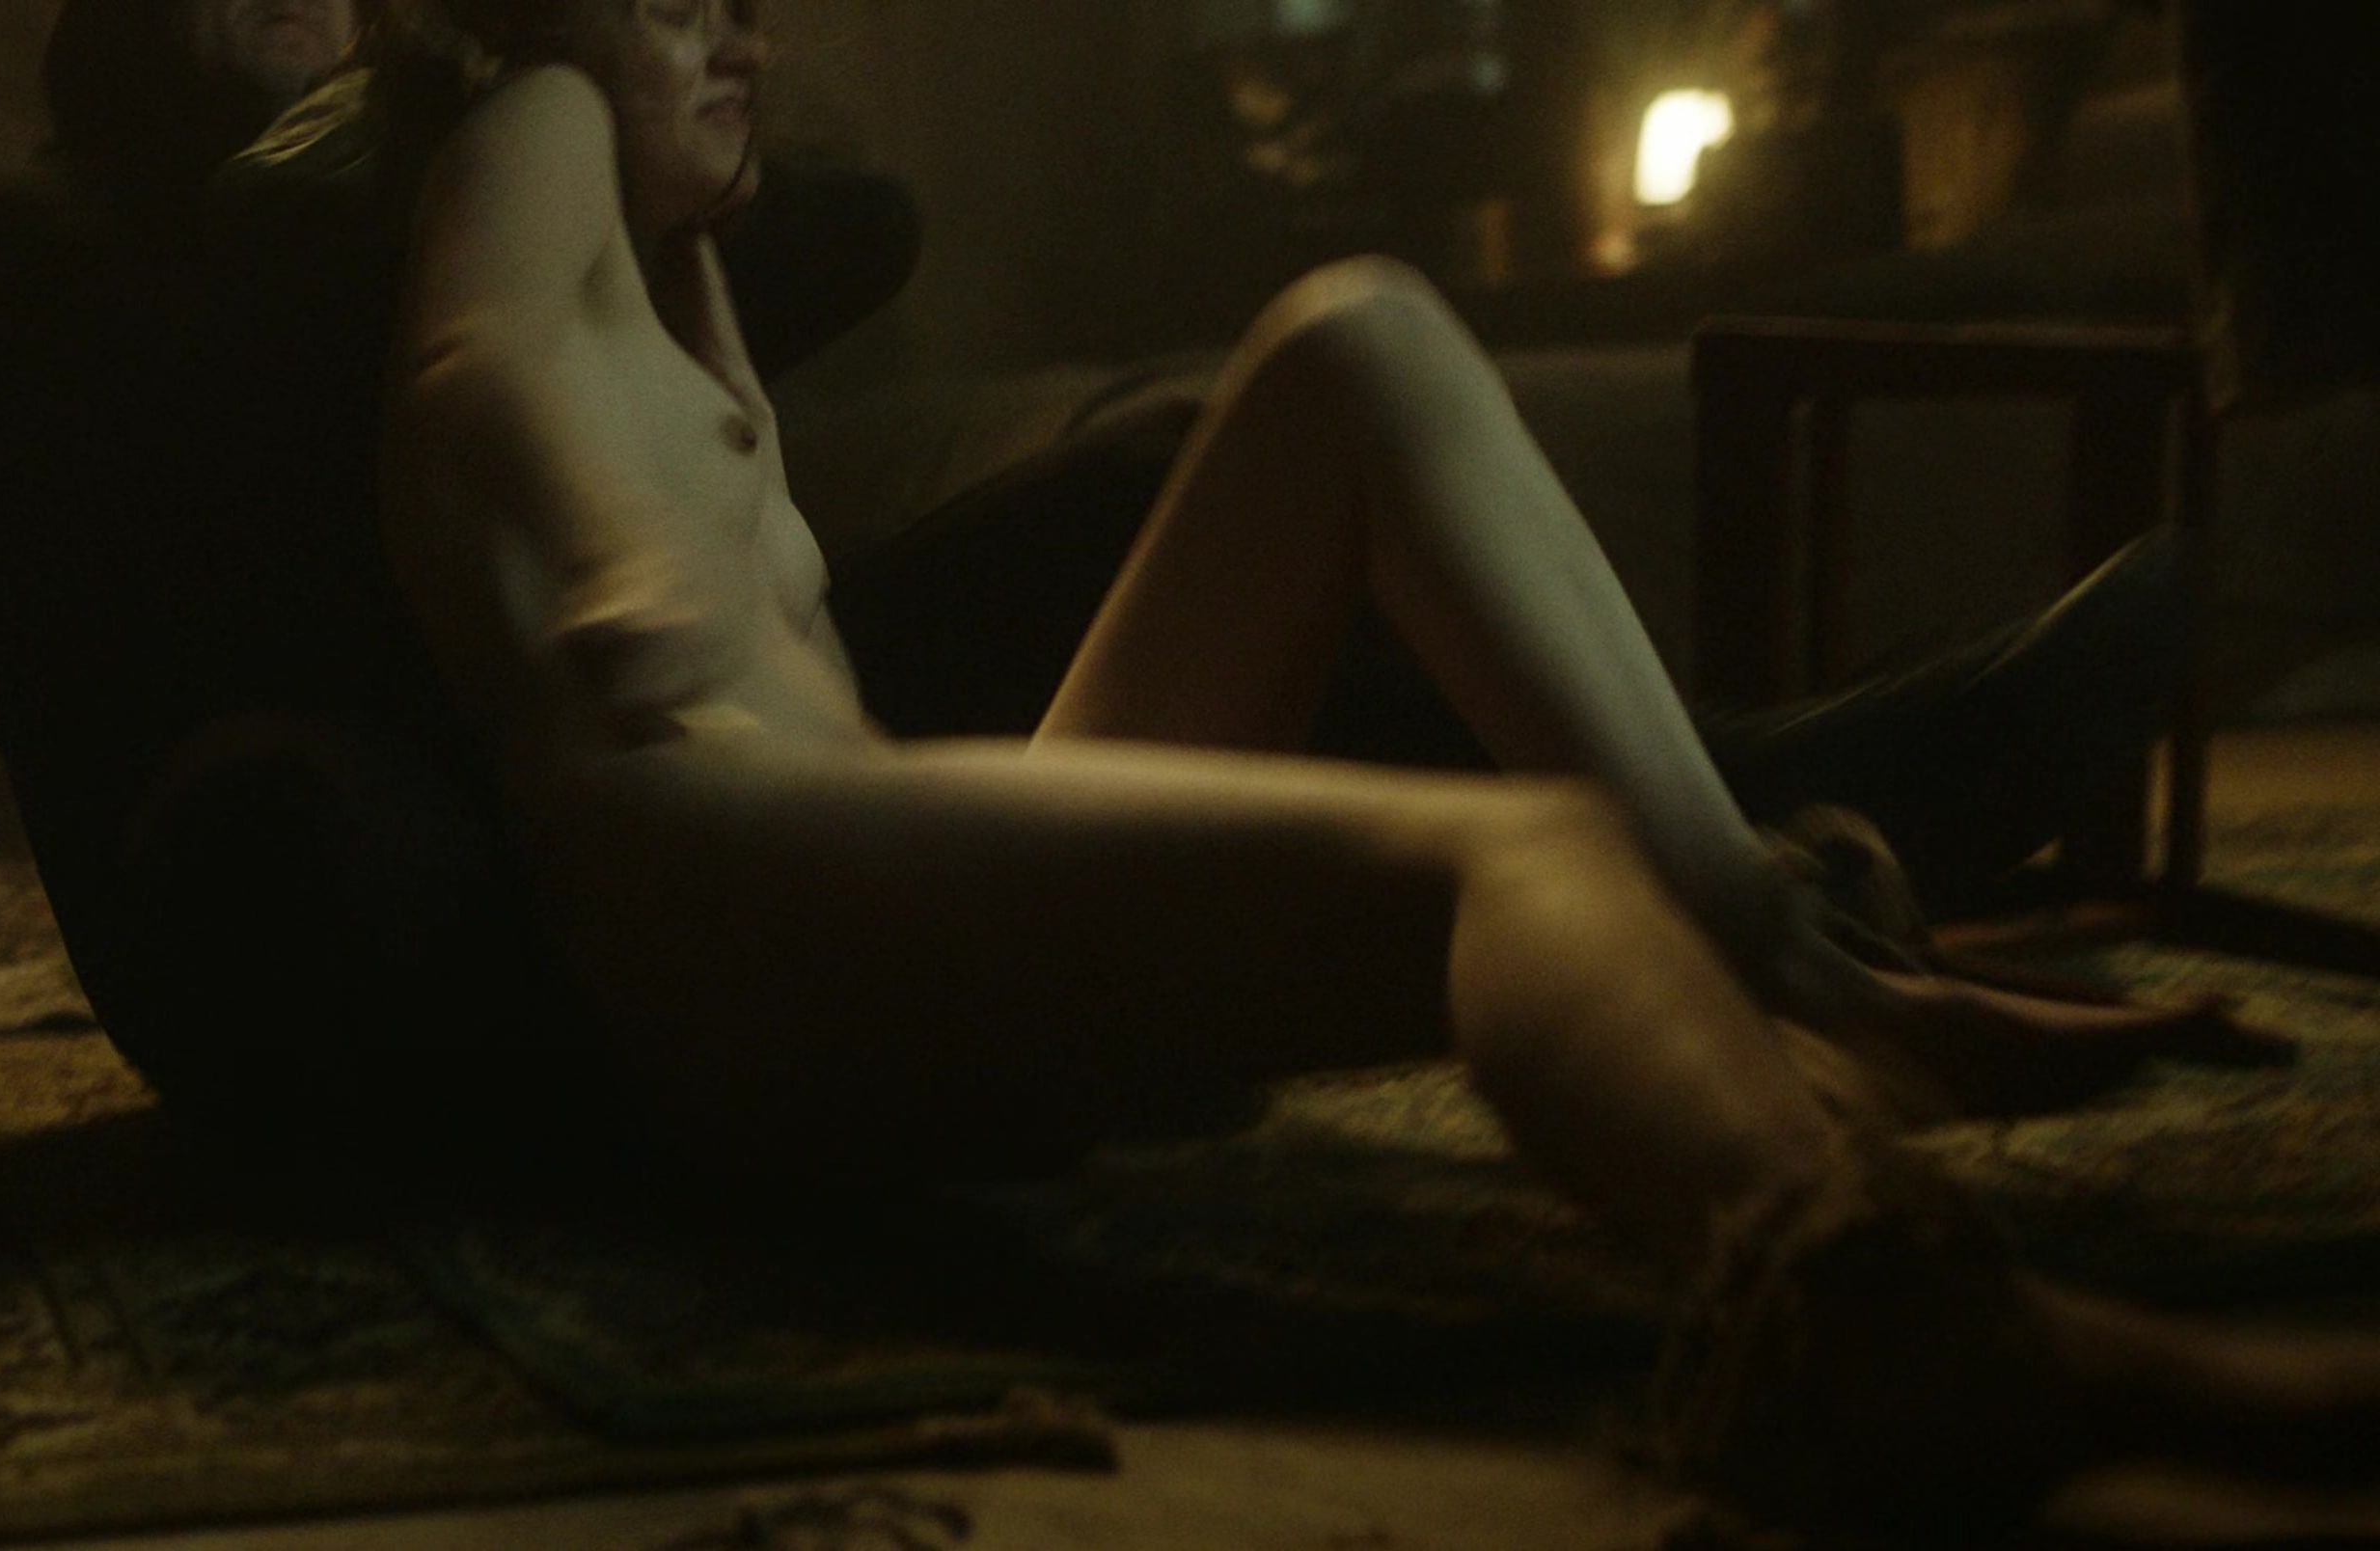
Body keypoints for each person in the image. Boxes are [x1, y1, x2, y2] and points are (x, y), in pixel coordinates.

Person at [339, 0, 2380, 1534]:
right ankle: (1874, 1312)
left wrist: (680, 184)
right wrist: (524, 110)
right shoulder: (524, 140)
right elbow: (467, 362)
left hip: (871, 931)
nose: (746, 34)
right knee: (1517, 863)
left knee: (1355, 340)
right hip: (748, 930)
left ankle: (1785, 950)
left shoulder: (663, 285)